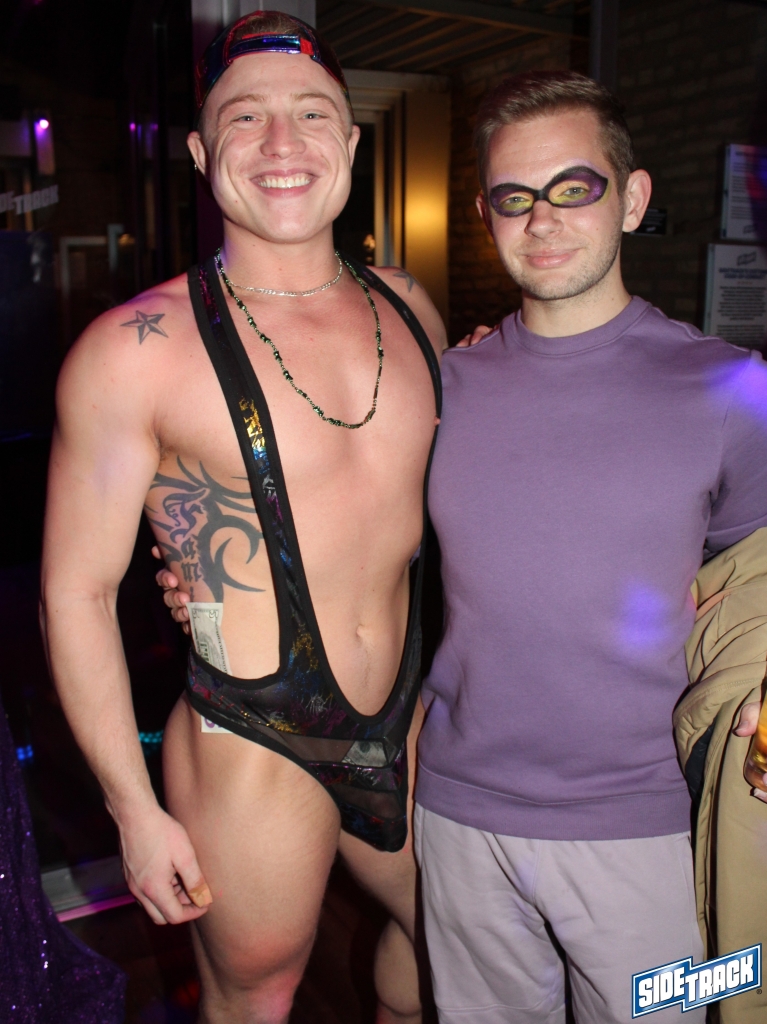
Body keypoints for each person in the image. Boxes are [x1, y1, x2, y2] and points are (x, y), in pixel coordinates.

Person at [40, 11, 445, 1024]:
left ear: (349, 139)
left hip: (406, 712)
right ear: (198, 151)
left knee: (448, 941)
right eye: (244, 116)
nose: (279, 142)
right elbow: (74, 592)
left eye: (310, 113)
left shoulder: (411, 308)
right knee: (254, 997)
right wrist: (133, 810)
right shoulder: (134, 350)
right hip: (250, 737)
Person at [409, 72, 767, 1023]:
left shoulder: (731, 387)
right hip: (457, 815)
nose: (542, 220)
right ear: (485, 217)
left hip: (646, 825)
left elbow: (759, 586)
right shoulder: (439, 389)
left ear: (632, 198)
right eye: (512, 197)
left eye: (574, 188)